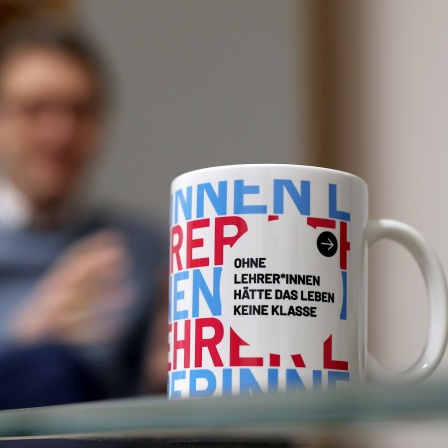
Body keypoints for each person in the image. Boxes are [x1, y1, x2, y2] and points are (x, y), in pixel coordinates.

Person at [0, 21, 168, 409]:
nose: (59, 132)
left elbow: (137, 411)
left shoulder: (143, 246)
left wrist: (166, 379)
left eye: (79, 110)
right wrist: (30, 337)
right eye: (34, 109)